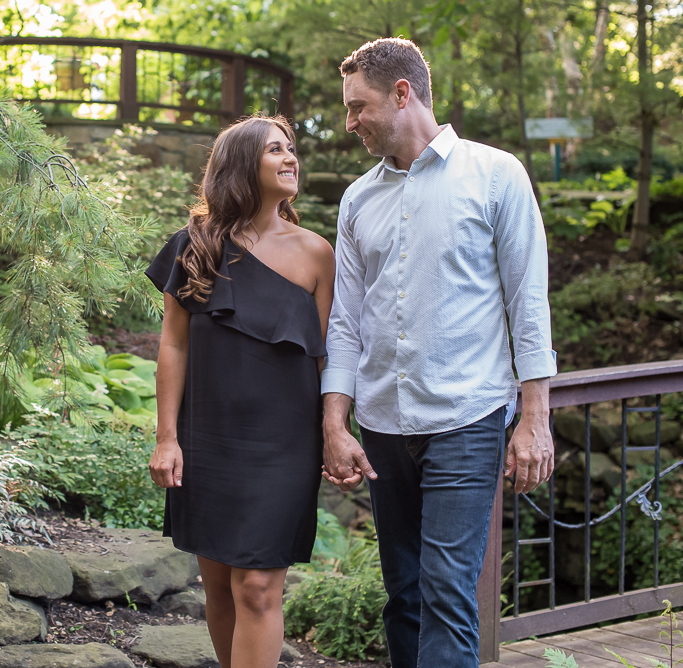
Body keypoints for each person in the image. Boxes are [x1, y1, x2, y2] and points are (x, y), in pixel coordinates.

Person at [320, 38, 557, 668]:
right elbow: (345, 321)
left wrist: (535, 418)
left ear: (402, 94)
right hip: (382, 425)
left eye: (357, 107)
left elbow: (528, 304)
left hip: (466, 419)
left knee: (448, 595)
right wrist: (334, 421)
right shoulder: (356, 201)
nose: (350, 124)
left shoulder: (497, 174)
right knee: (403, 594)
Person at [145, 115, 335, 668]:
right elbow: (173, 348)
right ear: (241, 164)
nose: (290, 157)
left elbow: (328, 358)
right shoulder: (194, 246)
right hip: (208, 441)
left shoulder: (317, 254)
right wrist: (166, 438)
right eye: (275, 149)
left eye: (291, 149)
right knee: (222, 585)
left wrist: (334, 432)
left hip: (284, 447)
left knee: (257, 586)